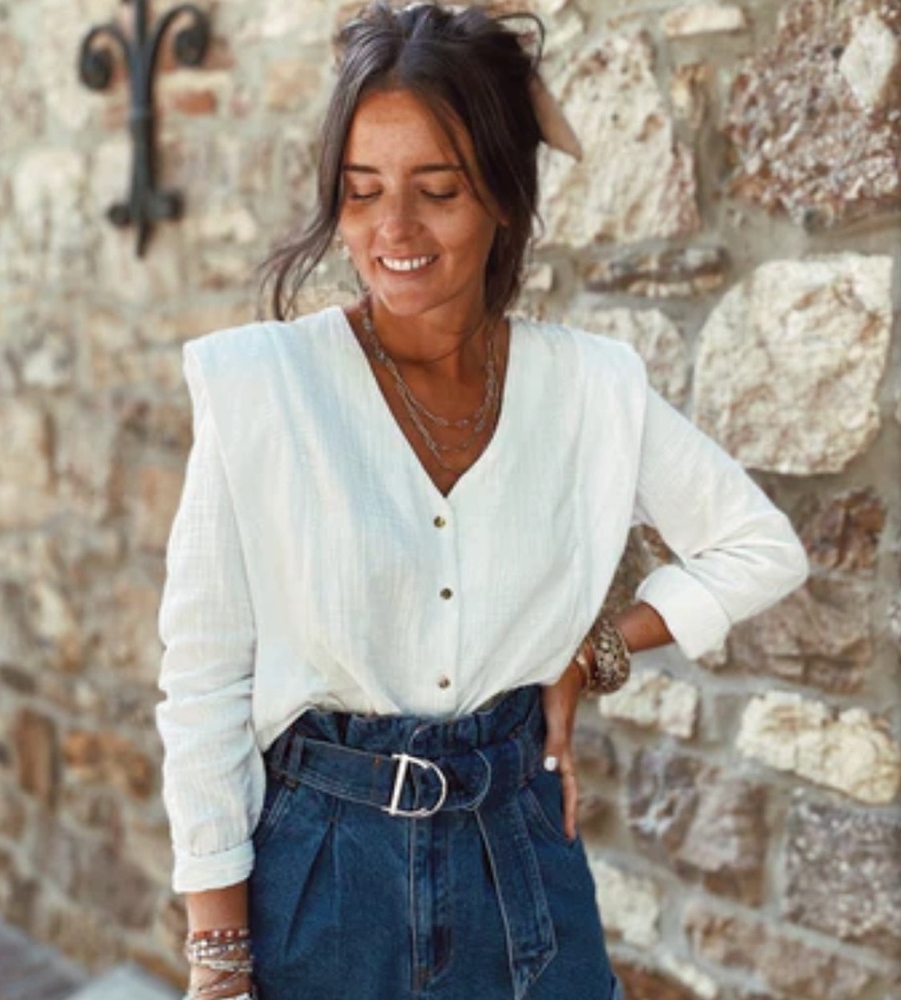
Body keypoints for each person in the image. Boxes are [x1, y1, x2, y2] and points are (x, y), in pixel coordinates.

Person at [156, 5, 809, 999]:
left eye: (437, 189)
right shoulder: (261, 388)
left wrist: (590, 652)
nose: (393, 229)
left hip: (520, 859)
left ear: (501, 194)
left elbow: (758, 546)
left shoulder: (591, 386)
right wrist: (218, 956)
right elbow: (202, 680)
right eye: (361, 191)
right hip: (320, 874)